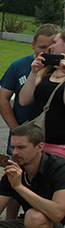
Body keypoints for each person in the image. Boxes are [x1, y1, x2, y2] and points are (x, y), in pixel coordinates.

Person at [0, 24, 59, 155]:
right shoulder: (19, 65)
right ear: (33, 44)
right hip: (22, 127)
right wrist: (16, 129)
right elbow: (3, 99)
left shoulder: (59, 70)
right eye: (41, 47)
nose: (46, 52)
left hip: (51, 136)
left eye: (50, 48)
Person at [18, 28, 65, 158]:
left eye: (54, 42)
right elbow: (24, 100)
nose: (50, 47)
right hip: (38, 141)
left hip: (60, 144)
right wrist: (34, 72)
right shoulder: (46, 70)